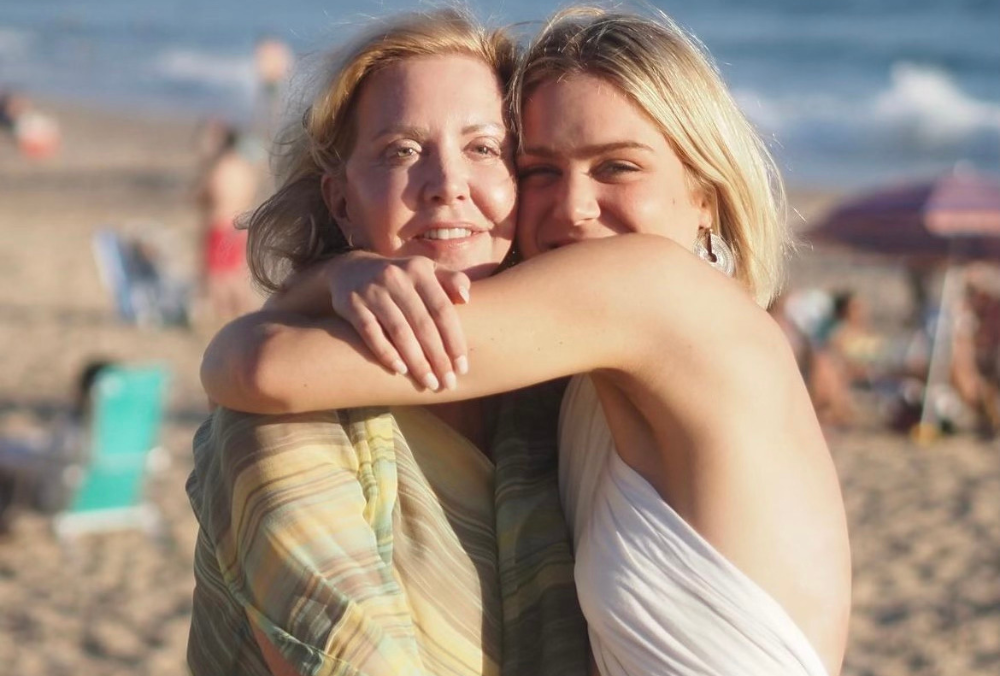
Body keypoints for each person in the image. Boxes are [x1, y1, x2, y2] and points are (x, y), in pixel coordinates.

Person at [202, 6, 852, 676]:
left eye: (618, 167)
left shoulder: (652, 288)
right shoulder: (583, 377)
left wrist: (332, 276)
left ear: (707, 193)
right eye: (541, 170)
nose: (572, 206)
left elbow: (263, 368)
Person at [186, 10, 587, 676]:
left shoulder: (561, 395)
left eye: (485, 148)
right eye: (401, 151)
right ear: (341, 203)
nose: (447, 183)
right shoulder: (289, 412)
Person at [193, 120, 261, 323]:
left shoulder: (220, 167)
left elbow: (204, 195)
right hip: (239, 224)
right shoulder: (244, 167)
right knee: (234, 273)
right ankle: (246, 314)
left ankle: (224, 318)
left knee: (217, 276)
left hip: (220, 223)